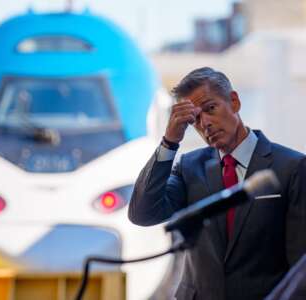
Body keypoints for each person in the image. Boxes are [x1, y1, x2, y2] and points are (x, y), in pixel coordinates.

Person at [128, 67, 306, 300]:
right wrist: (169, 142)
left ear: (234, 102)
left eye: (210, 109)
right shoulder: (189, 168)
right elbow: (143, 214)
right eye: (195, 120)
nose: (205, 124)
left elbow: (300, 266)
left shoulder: (292, 167)